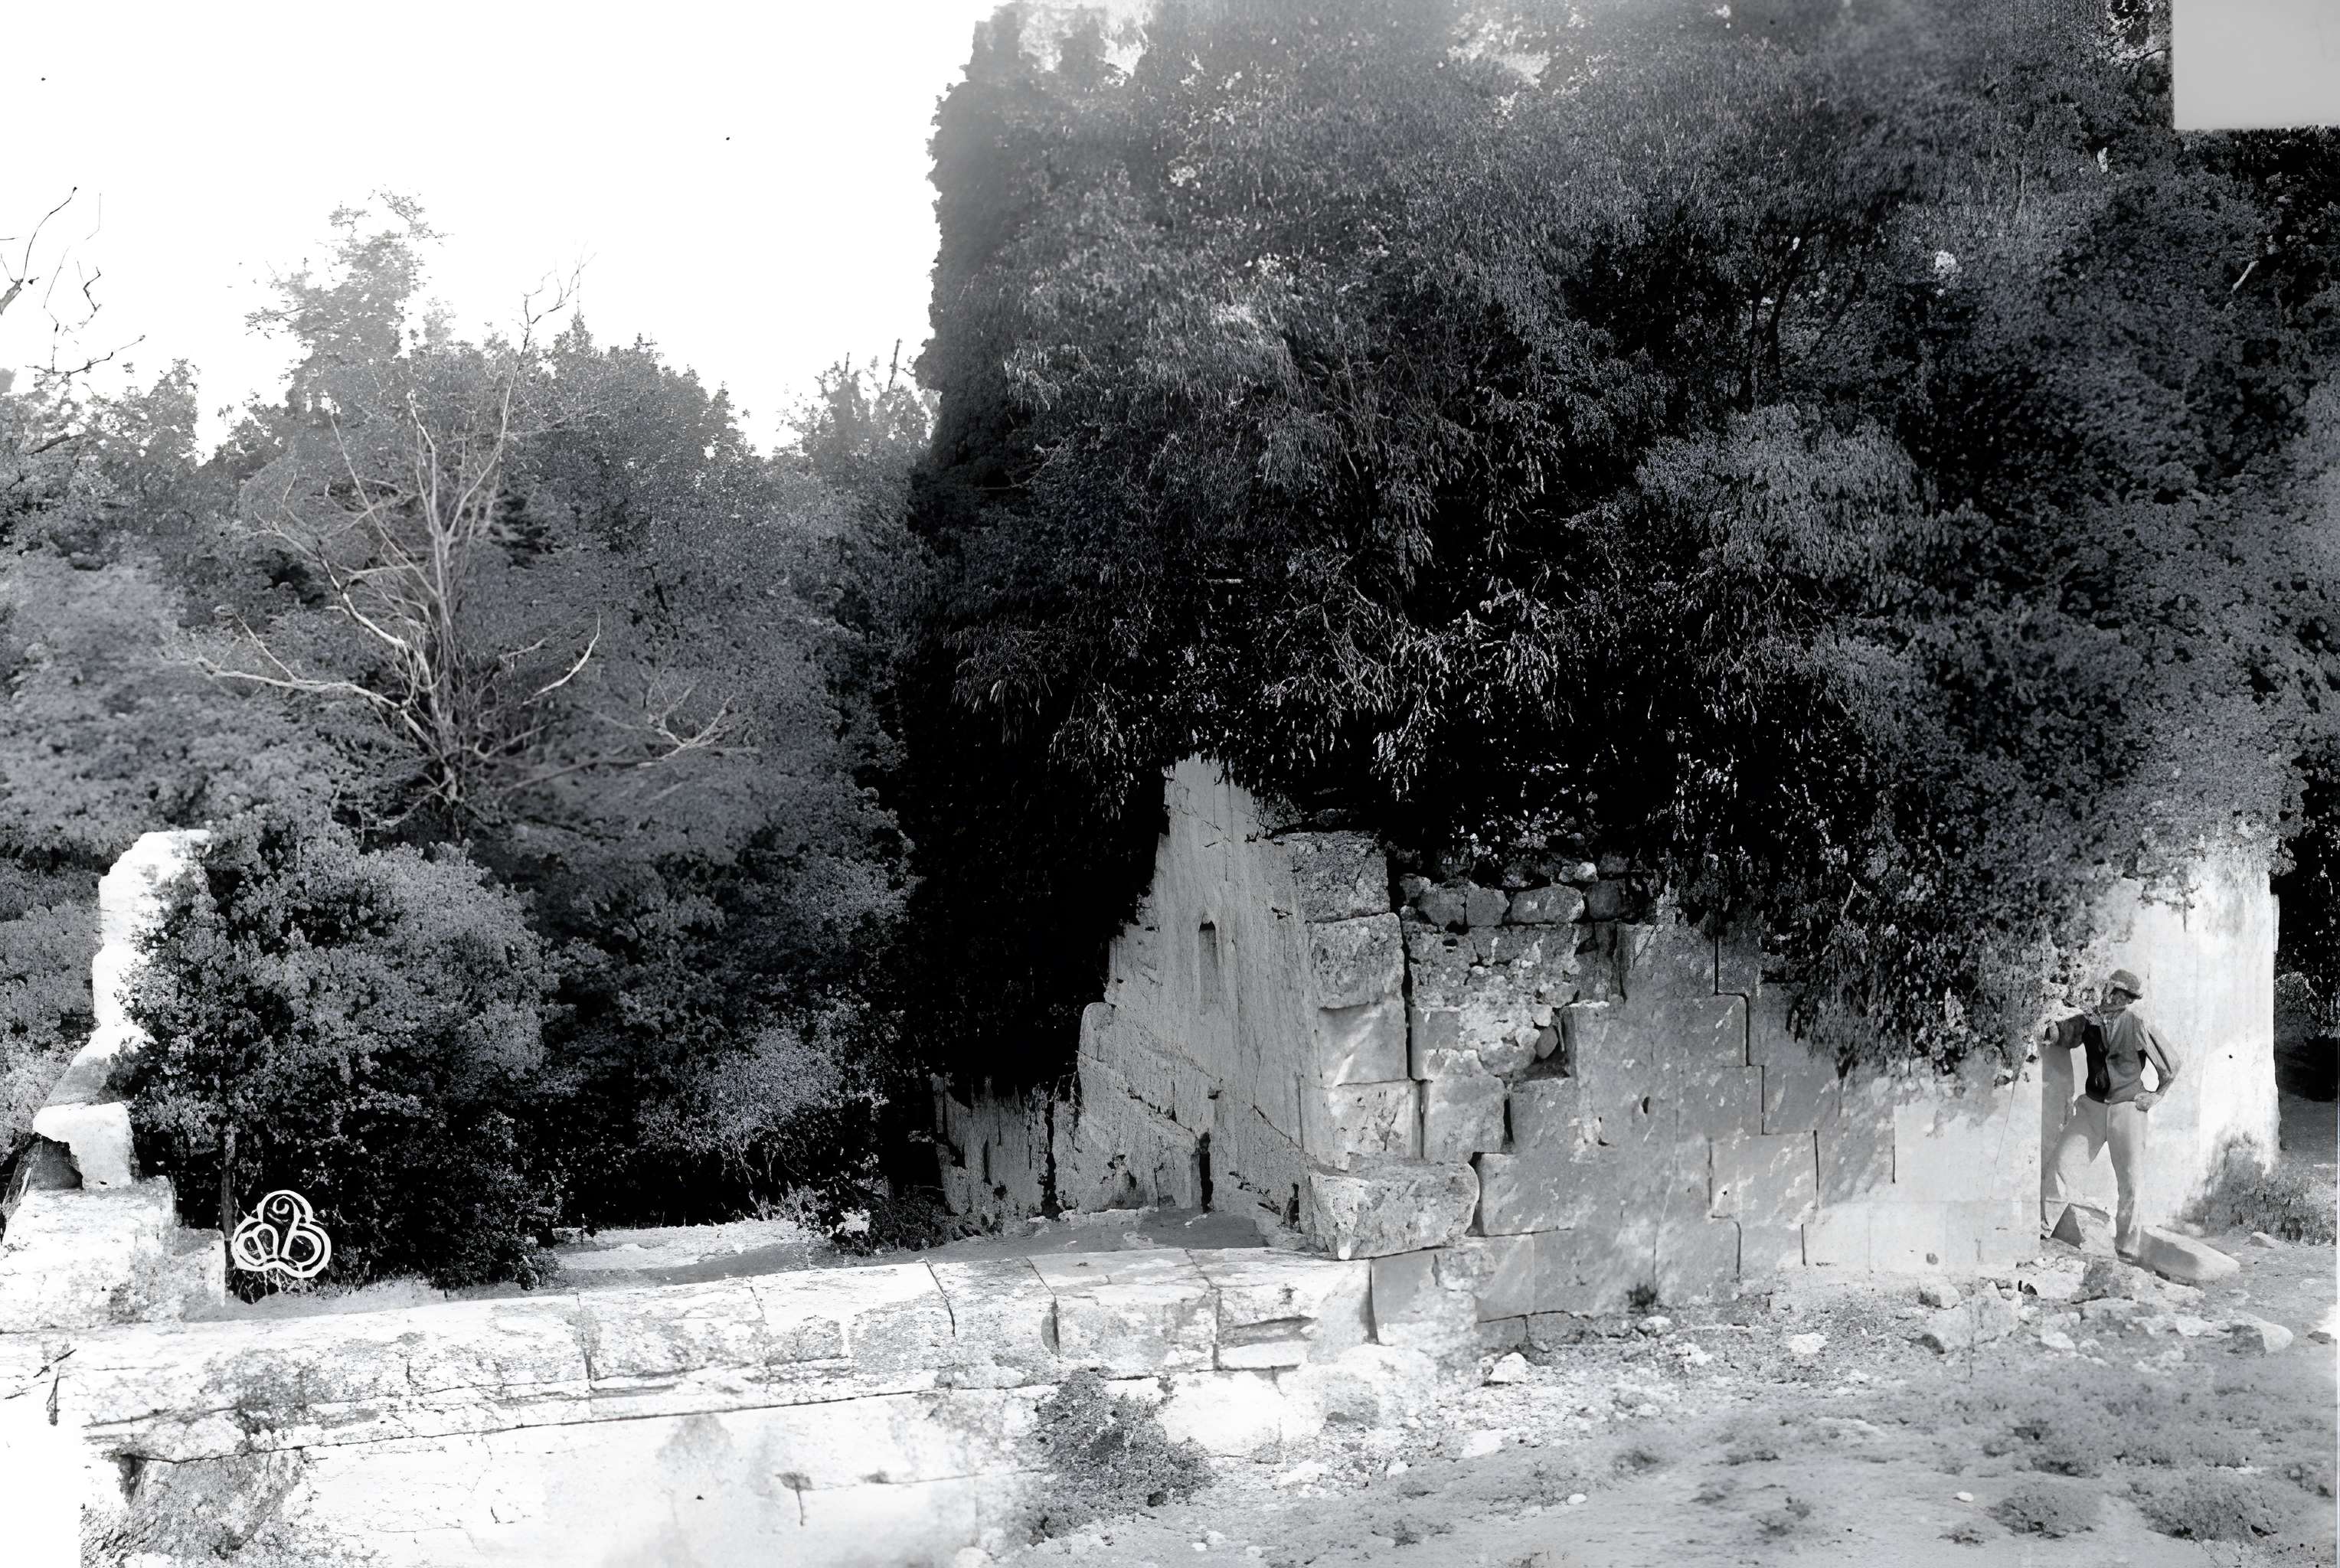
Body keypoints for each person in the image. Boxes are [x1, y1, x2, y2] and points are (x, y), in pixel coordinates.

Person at [2039, 968, 2181, 1260]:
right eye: (2117, 991)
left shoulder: (2138, 1023)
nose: (2120, 998)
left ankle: (2127, 1248)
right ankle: (2044, 1230)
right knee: (2062, 1163)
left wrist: (2156, 1095)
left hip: (2128, 1107)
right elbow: (2067, 1034)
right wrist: (2049, 1031)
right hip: (2092, 1105)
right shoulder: (2089, 1018)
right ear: (2108, 990)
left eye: (2127, 995)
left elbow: (2172, 1064)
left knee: (2130, 1179)